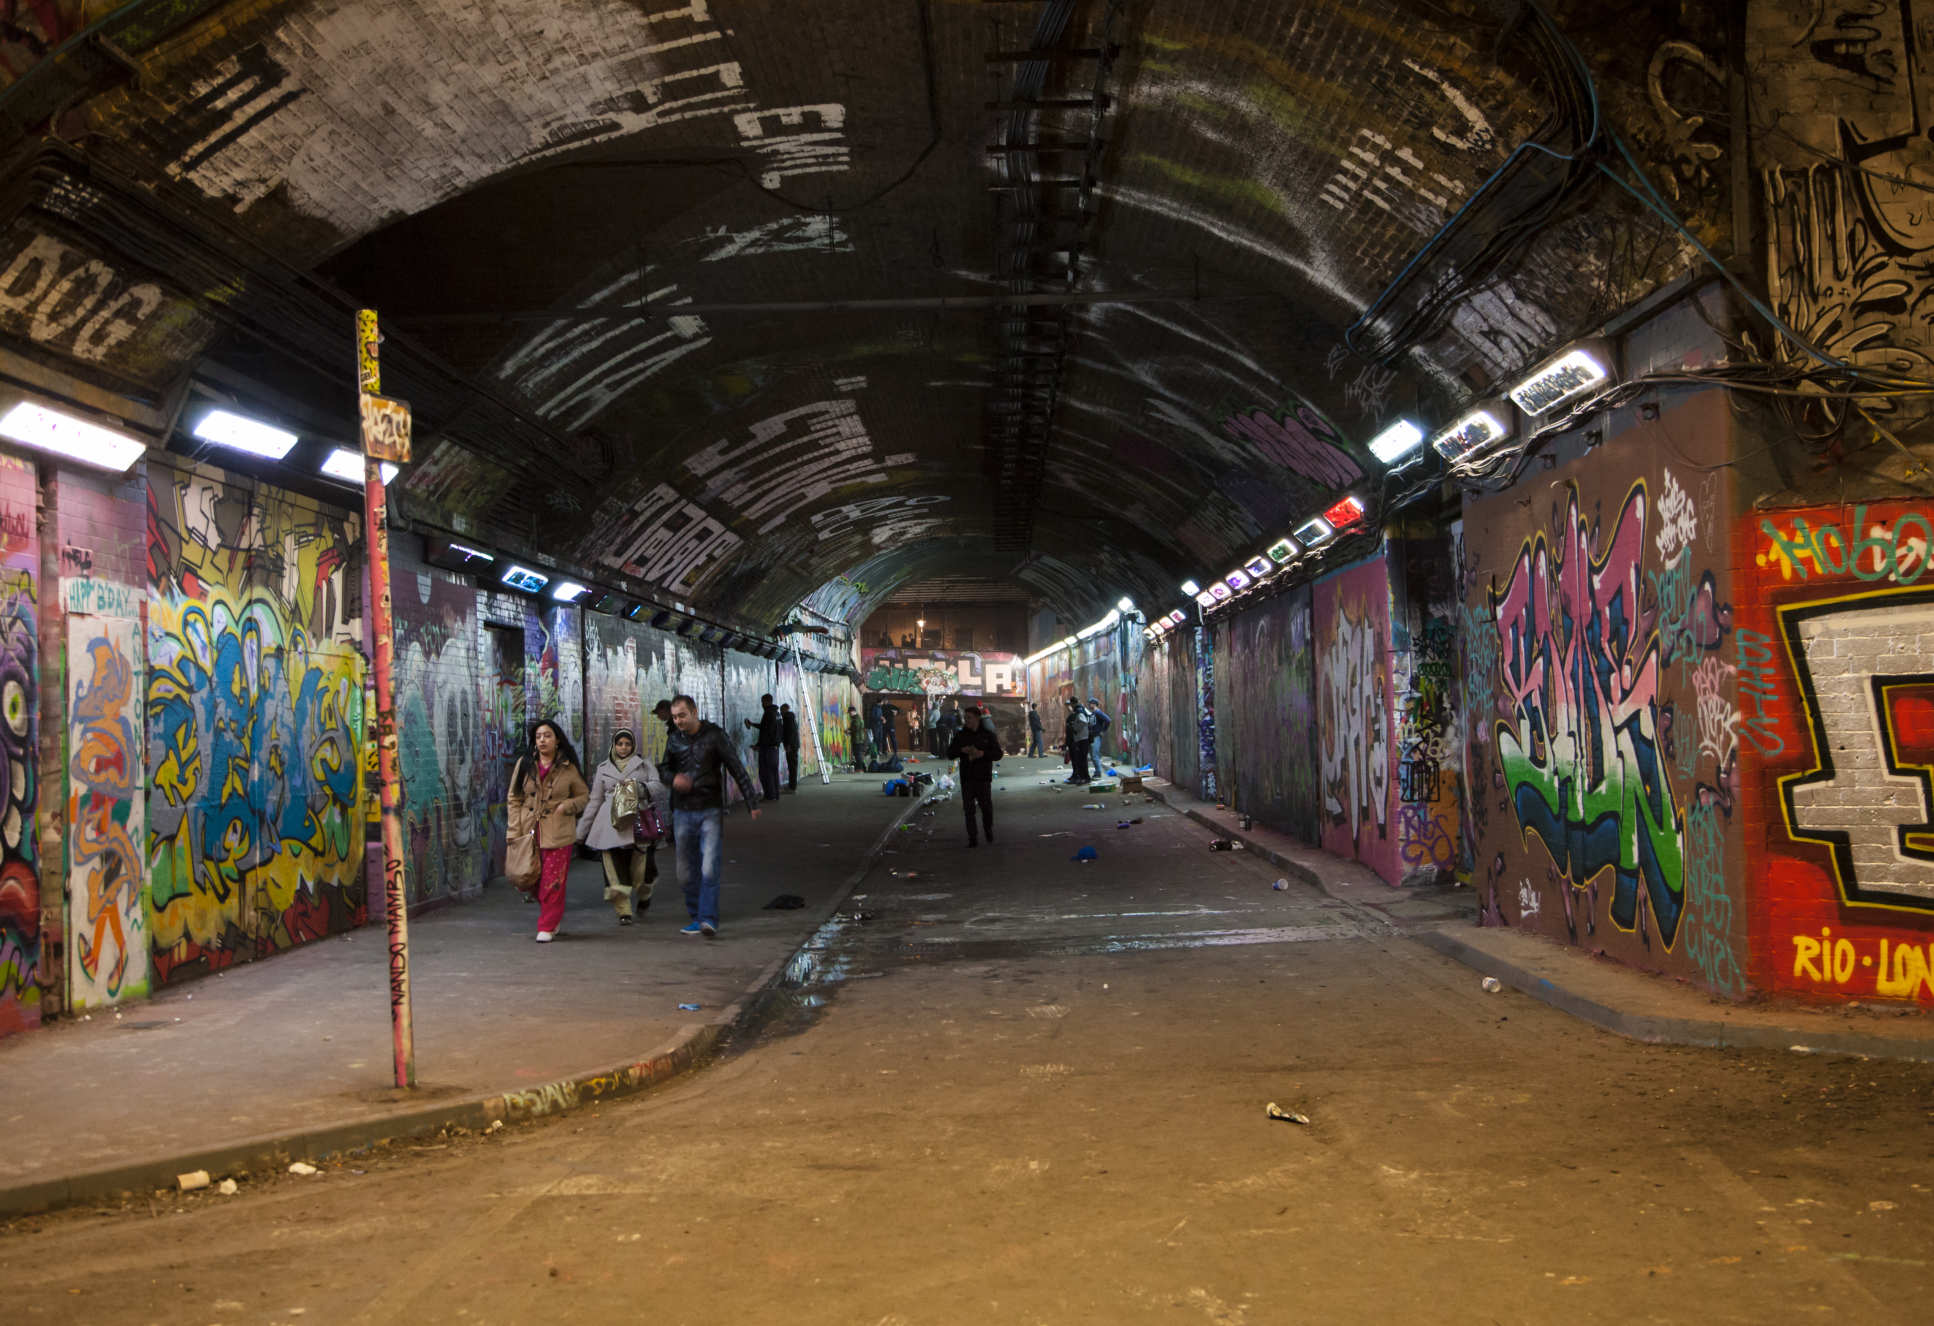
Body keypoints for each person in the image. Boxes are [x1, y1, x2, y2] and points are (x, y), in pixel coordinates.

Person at [666, 694, 761, 937]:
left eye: (682, 716)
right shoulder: (674, 739)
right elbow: (664, 768)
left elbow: (735, 766)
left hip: (709, 809)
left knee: (709, 866)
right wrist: (673, 779)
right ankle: (696, 916)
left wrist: (751, 801)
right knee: (684, 872)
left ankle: (707, 918)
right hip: (682, 811)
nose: (678, 721)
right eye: (674, 717)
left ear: (694, 712)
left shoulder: (715, 736)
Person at [506, 719, 590, 943]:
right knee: (528, 879)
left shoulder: (568, 767)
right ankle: (553, 914)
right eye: (538, 737)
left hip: (558, 832)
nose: (542, 740)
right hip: (529, 831)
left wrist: (567, 806)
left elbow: (583, 796)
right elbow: (514, 798)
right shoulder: (525, 764)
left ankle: (547, 925)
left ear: (557, 739)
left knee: (553, 881)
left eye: (547, 736)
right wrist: (513, 830)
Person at [576, 727, 666, 926]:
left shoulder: (644, 765)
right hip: (609, 825)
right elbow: (595, 800)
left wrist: (639, 788)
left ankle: (644, 896)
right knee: (613, 870)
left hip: (637, 822)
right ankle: (623, 911)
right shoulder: (603, 768)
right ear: (614, 746)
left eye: (627, 744)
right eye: (620, 744)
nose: (623, 748)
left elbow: (658, 787)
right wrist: (581, 831)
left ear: (633, 746)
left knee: (642, 871)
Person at [947, 705, 1004, 847]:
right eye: (965, 718)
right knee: (968, 809)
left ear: (977, 718)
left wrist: (983, 754)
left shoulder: (987, 735)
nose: (967, 721)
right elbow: (950, 753)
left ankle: (988, 829)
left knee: (986, 807)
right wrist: (962, 750)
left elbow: (998, 754)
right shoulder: (961, 735)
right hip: (967, 777)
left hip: (983, 777)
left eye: (969, 718)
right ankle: (972, 837)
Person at [744, 692, 783, 803]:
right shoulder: (777, 713)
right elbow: (767, 728)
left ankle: (769, 796)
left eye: (762, 702)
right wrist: (752, 724)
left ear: (766, 702)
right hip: (775, 748)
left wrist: (758, 746)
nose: (762, 704)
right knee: (774, 772)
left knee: (765, 773)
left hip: (767, 749)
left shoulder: (768, 713)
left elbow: (766, 732)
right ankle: (775, 795)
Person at [1064, 696, 1092, 784]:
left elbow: (1083, 722)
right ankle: (1082, 777)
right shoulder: (1082, 710)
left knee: (1081, 759)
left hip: (1081, 738)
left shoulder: (1079, 711)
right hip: (1082, 738)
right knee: (1081, 759)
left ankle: (1084, 777)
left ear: (1072, 703)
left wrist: (1075, 728)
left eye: (1070, 705)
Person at [1086, 696, 1113, 772]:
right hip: (1092, 736)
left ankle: (1098, 772)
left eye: (1090, 703)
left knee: (1095, 755)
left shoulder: (1098, 712)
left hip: (1096, 736)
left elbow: (1108, 720)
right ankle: (1097, 771)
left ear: (1094, 704)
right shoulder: (1092, 713)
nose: (1089, 705)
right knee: (1093, 755)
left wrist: (1103, 731)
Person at [780, 702, 801, 792]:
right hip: (794, 745)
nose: (780, 712)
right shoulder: (791, 717)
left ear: (785, 709)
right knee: (792, 766)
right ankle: (792, 786)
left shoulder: (787, 718)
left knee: (792, 766)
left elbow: (789, 733)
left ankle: (792, 787)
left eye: (781, 710)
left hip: (791, 746)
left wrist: (788, 745)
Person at [847, 705, 869, 772]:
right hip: (859, 739)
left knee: (857, 754)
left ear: (853, 711)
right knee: (858, 754)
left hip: (857, 739)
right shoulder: (857, 718)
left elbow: (856, 728)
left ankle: (860, 768)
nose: (849, 714)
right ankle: (862, 768)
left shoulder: (856, 719)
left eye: (850, 713)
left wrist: (849, 731)